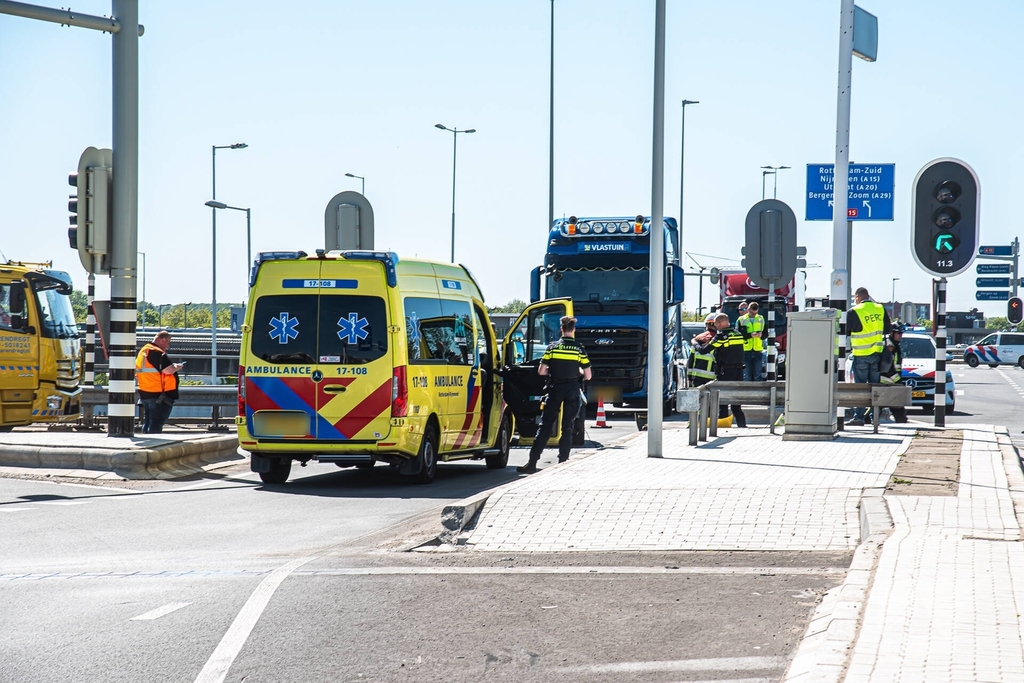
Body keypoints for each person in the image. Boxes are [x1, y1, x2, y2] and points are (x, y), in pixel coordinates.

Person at [517, 316, 592, 474]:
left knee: (545, 426)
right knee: (568, 426)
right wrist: (577, 370)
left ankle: (532, 463)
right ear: (574, 330)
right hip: (572, 389)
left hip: (555, 388)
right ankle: (563, 462)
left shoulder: (552, 348)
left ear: (561, 330)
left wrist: (553, 369)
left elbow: (541, 371)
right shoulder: (579, 349)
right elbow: (588, 375)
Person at [846, 287, 892, 426]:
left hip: (860, 354)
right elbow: (887, 329)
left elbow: (846, 331)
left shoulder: (854, 311)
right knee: (875, 387)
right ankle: (874, 417)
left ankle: (859, 417)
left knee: (860, 387)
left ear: (858, 297)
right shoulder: (880, 308)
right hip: (877, 354)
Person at [696, 313, 747, 428]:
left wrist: (695, 342)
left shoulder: (721, 336)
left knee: (722, 402)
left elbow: (704, 350)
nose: (716, 327)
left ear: (719, 323)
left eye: (715, 324)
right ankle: (742, 426)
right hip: (739, 373)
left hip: (726, 373)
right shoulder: (738, 334)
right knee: (736, 404)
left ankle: (723, 426)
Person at [135, 330, 184, 433]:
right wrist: (176, 367)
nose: (168, 346)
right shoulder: (157, 352)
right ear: (162, 340)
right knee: (156, 423)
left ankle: (147, 442)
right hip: (159, 395)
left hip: (145, 392)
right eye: (168, 343)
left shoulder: (144, 351)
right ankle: (153, 443)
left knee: (148, 422)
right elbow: (168, 370)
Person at [875, 326, 908, 424]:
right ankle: (901, 420)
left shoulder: (894, 345)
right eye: (898, 333)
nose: (900, 336)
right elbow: (887, 365)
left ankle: (901, 420)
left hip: (889, 380)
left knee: (886, 403)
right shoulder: (890, 346)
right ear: (892, 333)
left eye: (901, 333)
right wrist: (896, 379)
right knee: (895, 403)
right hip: (887, 380)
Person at [686, 313, 718, 387]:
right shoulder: (718, 339)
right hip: (712, 378)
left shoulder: (697, 339)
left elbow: (691, 360)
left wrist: (689, 377)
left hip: (696, 377)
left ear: (706, 325)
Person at [737, 300, 765, 382]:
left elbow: (766, 333)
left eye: (755, 313)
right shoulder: (741, 319)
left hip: (758, 350)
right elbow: (738, 334)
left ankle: (759, 394)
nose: (754, 314)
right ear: (748, 310)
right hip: (746, 350)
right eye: (752, 313)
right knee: (747, 375)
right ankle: (746, 394)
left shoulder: (761, 319)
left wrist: (761, 335)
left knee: (758, 375)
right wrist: (750, 335)